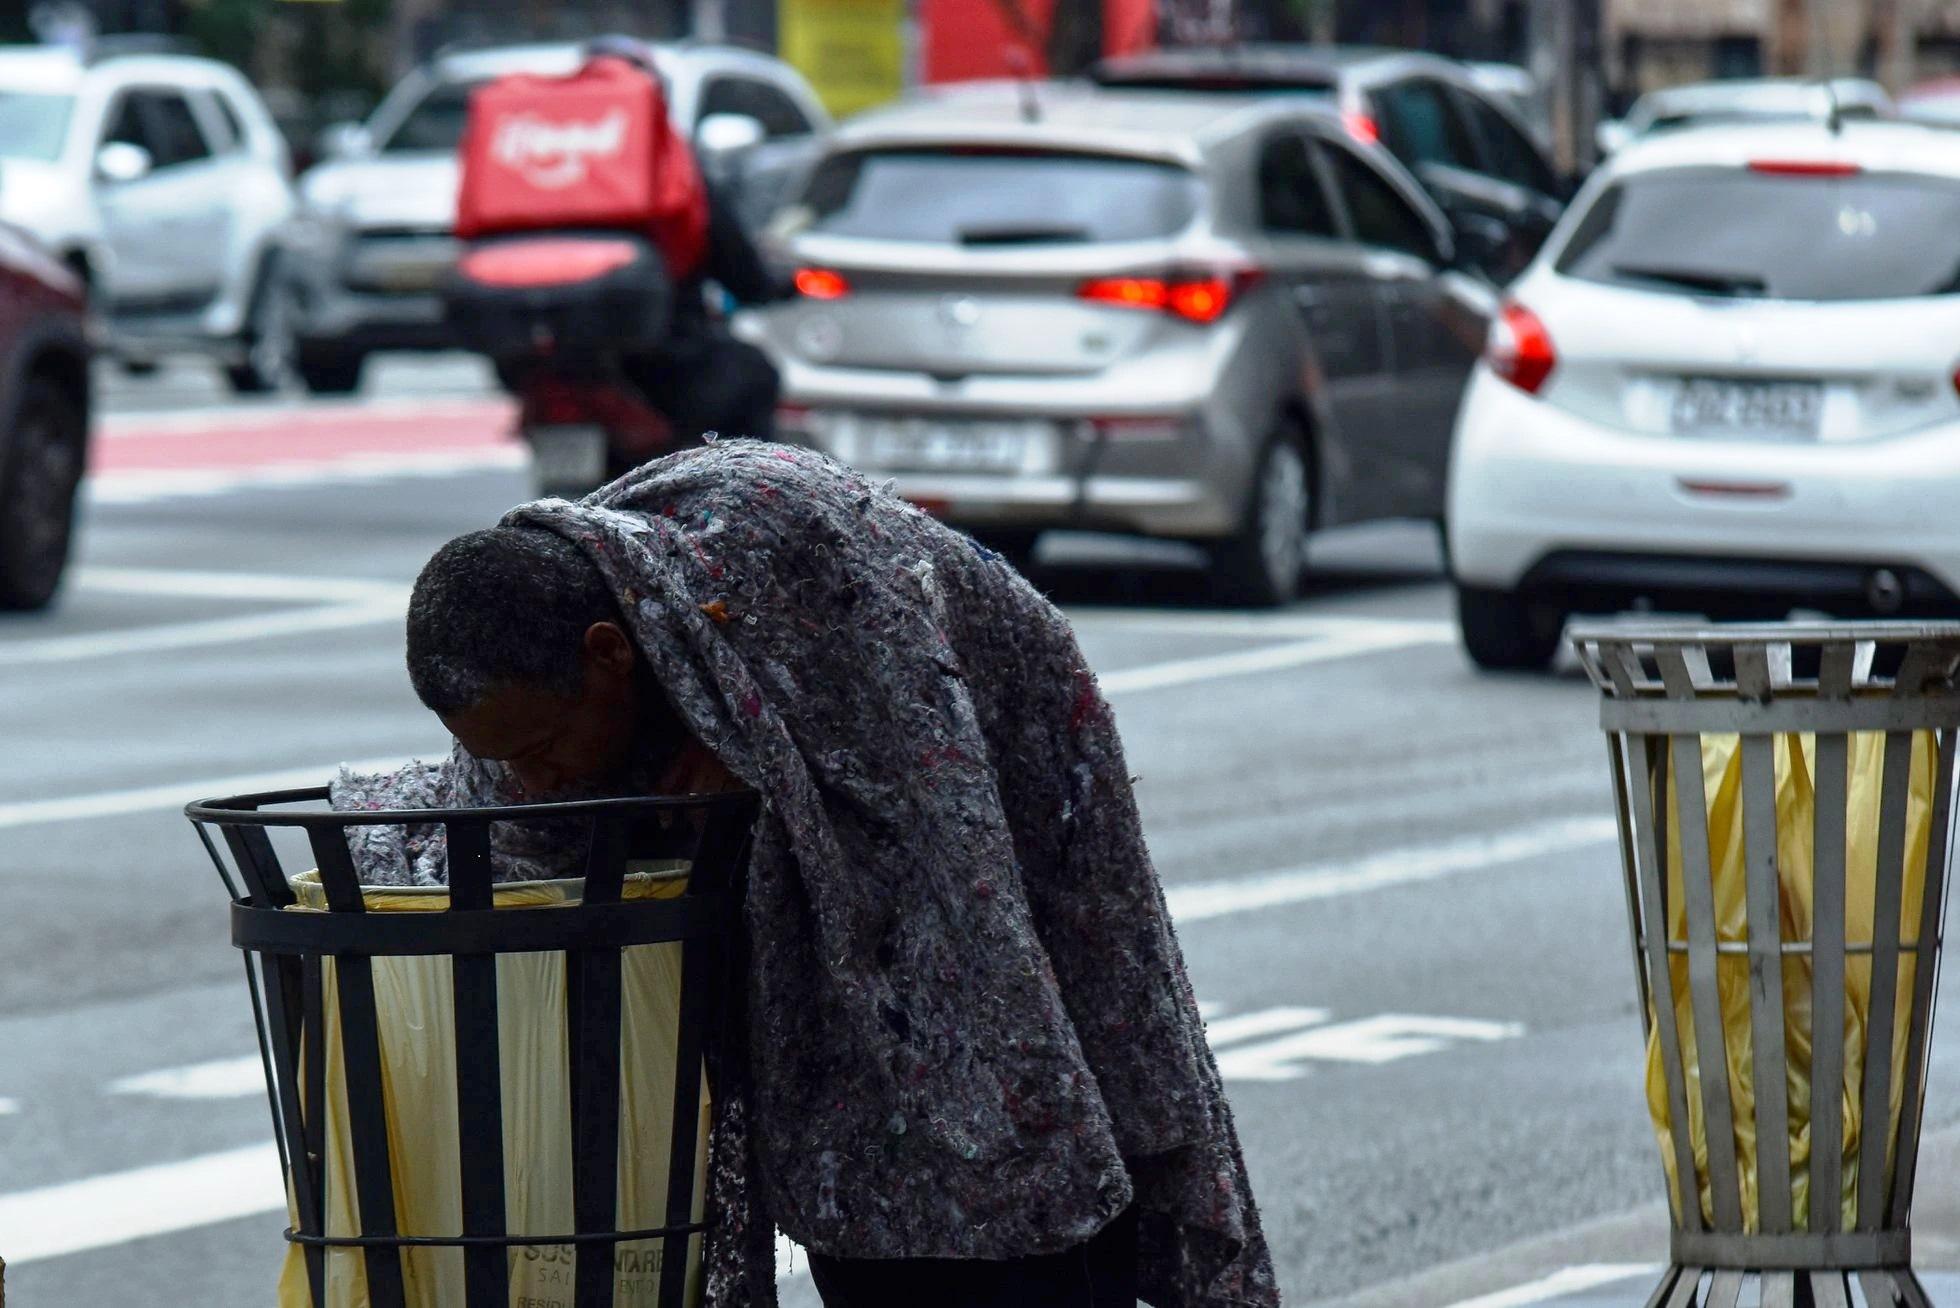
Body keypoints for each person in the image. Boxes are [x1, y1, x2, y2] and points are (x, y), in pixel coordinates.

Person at [339, 441, 1277, 1307]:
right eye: (508, 761)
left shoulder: (779, 553)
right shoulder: (530, 642)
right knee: (855, 1169)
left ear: (610, 655)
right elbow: (501, 830)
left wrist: (754, 757)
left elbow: (925, 816)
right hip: (809, 809)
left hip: (991, 770)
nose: (533, 780)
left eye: (544, 747)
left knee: (1011, 1131)